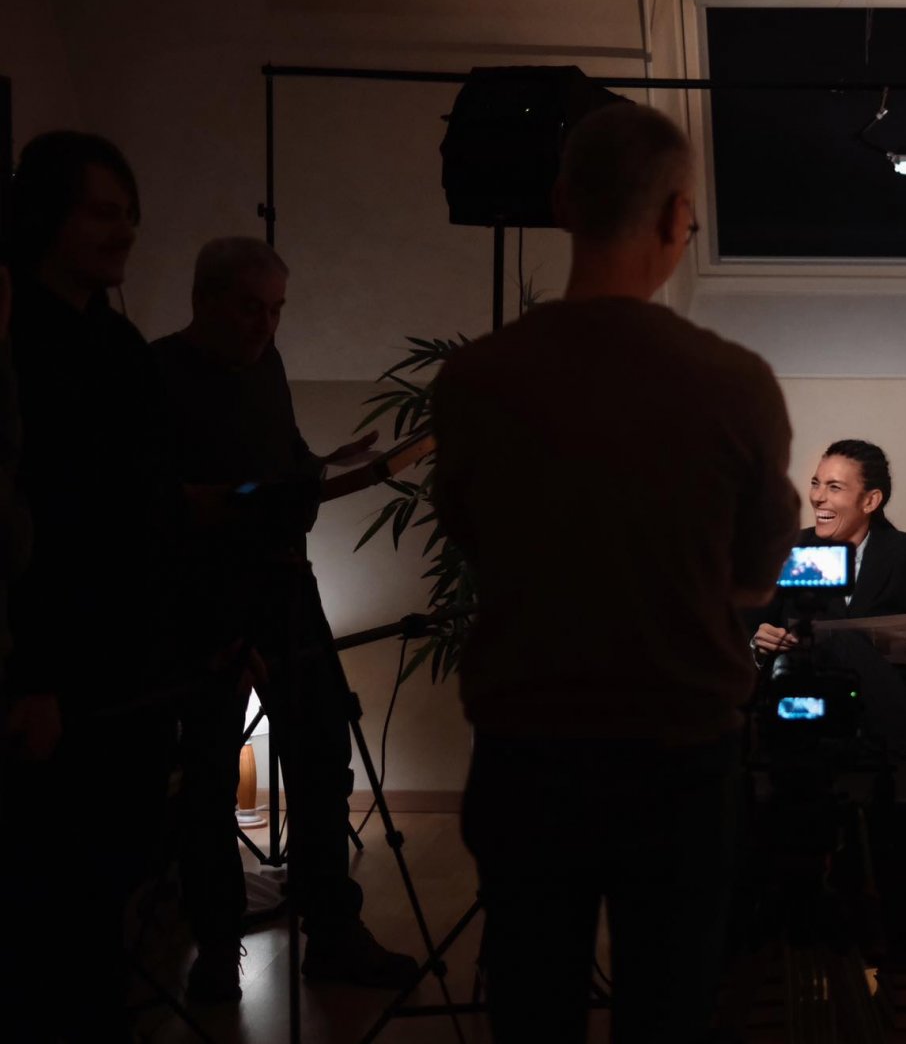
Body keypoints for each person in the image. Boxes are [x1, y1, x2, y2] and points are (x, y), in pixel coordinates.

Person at [431, 102, 798, 1043]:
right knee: (667, 1011)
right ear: (677, 217)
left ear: (561, 203)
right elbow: (758, 572)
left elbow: (472, 534)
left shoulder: (476, 380)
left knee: (531, 1009)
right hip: (679, 755)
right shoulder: (735, 382)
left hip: (525, 749)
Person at [149, 236, 414, 1001]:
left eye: (276, 310)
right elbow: (155, 505)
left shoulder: (266, 365)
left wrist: (323, 463)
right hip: (204, 602)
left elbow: (282, 455)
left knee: (323, 752)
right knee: (207, 773)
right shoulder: (158, 374)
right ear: (204, 299)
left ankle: (332, 931)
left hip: (285, 587)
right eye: (249, 309)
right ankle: (216, 949)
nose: (265, 326)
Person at [0, 131, 182, 1042]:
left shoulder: (121, 345)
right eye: (104, 214)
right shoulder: (13, 344)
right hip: (52, 679)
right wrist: (32, 678)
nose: (125, 234)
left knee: (112, 892)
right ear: (47, 218)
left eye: (130, 216)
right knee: (51, 914)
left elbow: (145, 512)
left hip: (127, 674)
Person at [747, 438, 906, 757]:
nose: (818, 497)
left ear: (870, 501)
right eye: (816, 483)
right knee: (826, 638)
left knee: (834, 635)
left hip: (889, 715)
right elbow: (740, 634)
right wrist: (758, 645)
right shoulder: (791, 552)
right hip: (806, 709)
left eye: (834, 487)